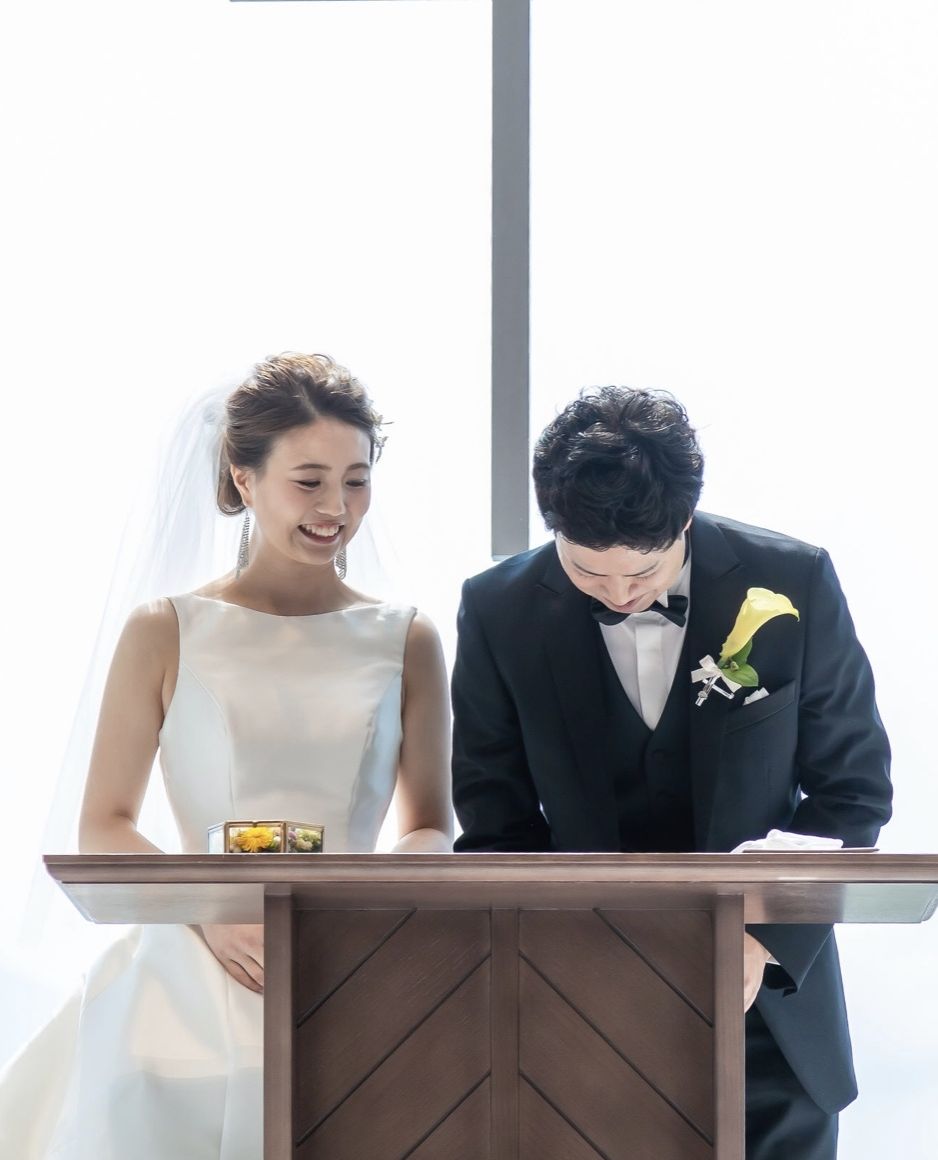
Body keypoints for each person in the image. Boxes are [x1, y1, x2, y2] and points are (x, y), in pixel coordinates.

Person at [0, 352, 452, 1159]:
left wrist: (360, 914)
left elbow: (429, 826)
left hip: (347, 956)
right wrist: (212, 910)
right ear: (244, 478)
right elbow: (104, 825)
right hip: (190, 963)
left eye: (356, 480)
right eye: (308, 481)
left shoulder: (407, 637)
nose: (336, 507)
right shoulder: (165, 630)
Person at [451, 386, 892, 1159]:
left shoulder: (793, 579)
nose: (621, 595)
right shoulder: (497, 610)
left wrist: (763, 938)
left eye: (644, 573)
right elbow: (496, 825)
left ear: (685, 519)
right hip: (577, 1009)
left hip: (772, 1011)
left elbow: (852, 792)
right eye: (589, 574)